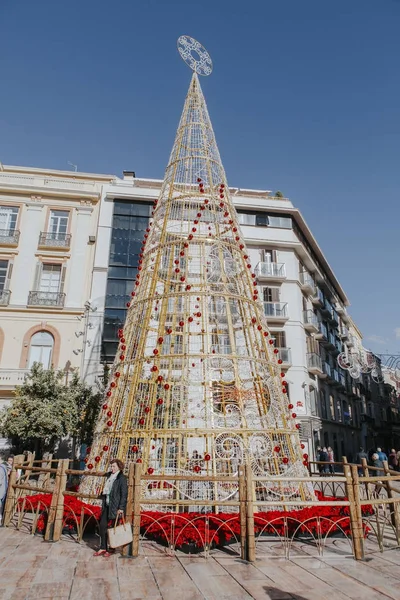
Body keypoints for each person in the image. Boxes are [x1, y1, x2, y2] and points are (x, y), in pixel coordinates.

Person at [94, 459, 128, 557]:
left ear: (119, 467)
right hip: (107, 505)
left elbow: (124, 494)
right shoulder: (109, 476)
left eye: (114, 466)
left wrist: (121, 507)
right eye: (111, 466)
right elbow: (108, 488)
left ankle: (112, 548)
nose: (112, 468)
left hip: (116, 506)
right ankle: (103, 547)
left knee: (113, 528)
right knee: (103, 525)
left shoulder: (121, 478)